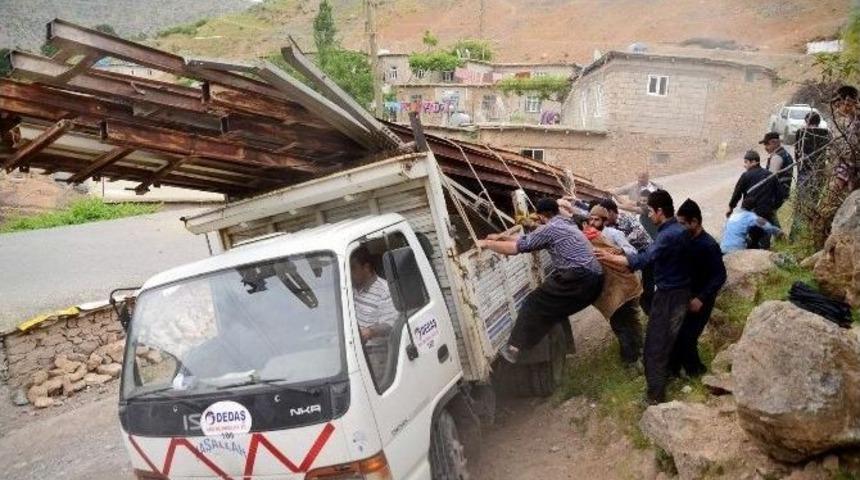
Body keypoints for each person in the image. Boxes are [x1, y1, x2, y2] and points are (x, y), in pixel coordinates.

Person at [478, 198, 603, 364]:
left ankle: (513, 348)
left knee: (533, 303)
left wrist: (486, 243)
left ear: (543, 217)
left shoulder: (550, 229)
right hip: (595, 279)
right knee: (553, 310)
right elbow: (528, 241)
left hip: (578, 279)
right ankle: (563, 346)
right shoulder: (567, 223)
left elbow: (515, 249)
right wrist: (499, 239)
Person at [595, 190, 691, 404]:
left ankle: (655, 397)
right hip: (680, 292)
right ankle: (673, 374)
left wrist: (610, 257)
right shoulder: (680, 230)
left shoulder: (667, 236)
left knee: (654, 347)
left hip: (669, 296)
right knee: (670, 339)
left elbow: (641, 260)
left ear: (659, 211)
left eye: (649, 211)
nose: (647, 215)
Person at [671, 199, 726, 377]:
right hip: (684, 296)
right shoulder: (684, 240)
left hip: (701, 299)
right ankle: (675, 370)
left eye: (682, 224)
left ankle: (697, 373)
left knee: (688, 337)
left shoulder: (709, 245)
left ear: (694, 222)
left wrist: (701, 298)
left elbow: (719, 276)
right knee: (677, 334)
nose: (679, 228)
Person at [587, 205, 644, 367]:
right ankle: (632, 357)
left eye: (596, 219)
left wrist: (614, 252)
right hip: (610, 287)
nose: (592, 222)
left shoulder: (614, 234)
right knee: (619, 322)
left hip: (624, 284)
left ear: (604, 221)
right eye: (590, 218)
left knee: (629, 319)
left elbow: (632, 252)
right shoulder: (589, 237)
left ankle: (636, 354)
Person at [816, 85, 859, 245]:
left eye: (850, 104)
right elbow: (844, 147)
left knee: (843, 201)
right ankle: (824, 236)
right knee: (833, 201)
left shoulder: (856, 119)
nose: (846, 108)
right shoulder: (842, 121)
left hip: (853, 167)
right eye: (845, 104)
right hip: (843, 167)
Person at [350, 246, 399, 381]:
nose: (350, 272)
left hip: (376, 352)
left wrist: (369, 332)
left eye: (353, 268)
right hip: (352, 349)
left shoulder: (384, 290)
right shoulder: (349, 289)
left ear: (366, 268)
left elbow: (390, 325)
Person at [600, 198, 656, 315]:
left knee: (648, 287)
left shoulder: (626, 216)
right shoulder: (608, 226)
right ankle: (651, 313)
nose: (603, 217)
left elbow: (638, 231)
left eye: (604, 213)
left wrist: (622, 243)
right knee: (639, 290)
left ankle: (654, 313)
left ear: (611, 211)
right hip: (631, 258)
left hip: (645, 253)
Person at [726, 150, 780, 249]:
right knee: (764, 242)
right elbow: (780, 195)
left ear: (754, 162)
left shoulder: (746, 176)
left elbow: (737, 193)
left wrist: (731, 207)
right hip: (766, 214)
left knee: (750, 242)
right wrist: (773, 207)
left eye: (746, 162)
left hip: (750, 214)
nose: (745, 165)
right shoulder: (770, 175)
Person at [792, 112, 832, 239]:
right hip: (819, 172)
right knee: (814, 202)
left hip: (805, 171)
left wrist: (799, 170)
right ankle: (810, 232)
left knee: (801, 204)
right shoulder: (826, 133)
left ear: (806, 121)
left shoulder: (801, 132)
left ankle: (796, 235)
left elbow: (797, 154)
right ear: (818, 121)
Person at [760, 131, 793, 211]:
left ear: (774, 143)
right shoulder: (785, 154)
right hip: (783, 192)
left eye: (767, 144)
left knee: (766, 214)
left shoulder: (777, 157)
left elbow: (770, 179)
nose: (765, 148)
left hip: (776, 194)